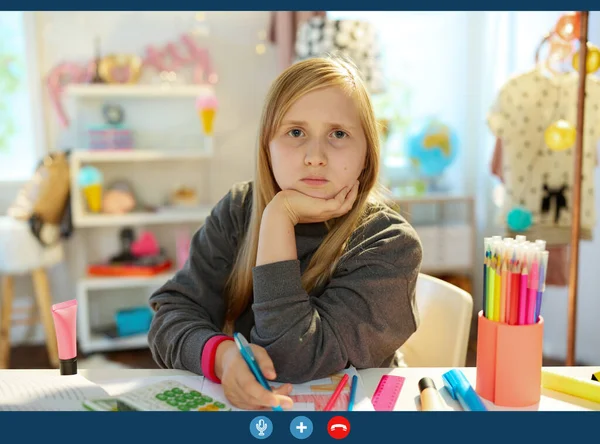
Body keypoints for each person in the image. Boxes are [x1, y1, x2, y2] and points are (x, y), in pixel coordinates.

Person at [148, 56, 423, 410]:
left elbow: (290, 361)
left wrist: (280, 216)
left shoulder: (390, 244)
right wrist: (222, 356)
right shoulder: (239, 210)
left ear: (367, 154)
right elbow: (170, 315)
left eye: (338, 134)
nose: (314, 156)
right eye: (296, 132)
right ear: (268, 146)